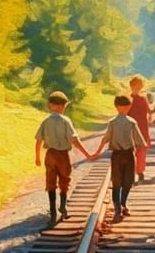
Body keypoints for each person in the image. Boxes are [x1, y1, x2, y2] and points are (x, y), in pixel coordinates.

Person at [33, 90, 92, 223]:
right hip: (63, 155)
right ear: (63, 106)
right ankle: (63, 207)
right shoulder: (66, 121)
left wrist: (37, 157)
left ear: (50, 105)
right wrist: (87, 154)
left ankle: (53, 213)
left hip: (50, 155)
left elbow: (38, 140)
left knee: (50, 182)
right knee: (64, 180)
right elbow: (74, 140)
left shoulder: (45, 121)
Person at [92, 93, 147, 221]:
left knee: (116, 183)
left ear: (116, 106)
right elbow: (141, 142)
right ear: (129, 107)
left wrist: (98, 152)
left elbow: (105, 138)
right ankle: (123, 204)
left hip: (116, 155)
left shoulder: (112, 122)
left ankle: (118, 208)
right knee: (128, 181)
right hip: (128, 155)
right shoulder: (132, 122)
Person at [127, 74, 153, 182]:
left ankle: (140, 171)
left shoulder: (143, 98)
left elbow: (149, 111)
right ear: (131, 86)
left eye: (139, 86)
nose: (137, 88)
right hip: (130, 129)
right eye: (135, 86)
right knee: (131, 152)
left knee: (141, 152)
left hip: (142, 128)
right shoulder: (128, 99)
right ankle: (132, 173)